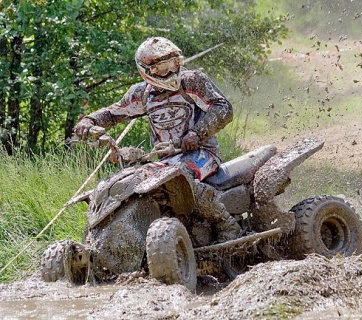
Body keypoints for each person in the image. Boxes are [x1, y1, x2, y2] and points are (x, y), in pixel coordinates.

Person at [74, 37, 241, 243]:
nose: (168, 72)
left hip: (203, 153)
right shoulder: (142, 94)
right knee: (131, 182)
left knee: (181, 175)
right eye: (161, 68)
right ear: (146, 70)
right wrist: (90, 121)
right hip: (165, 160)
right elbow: (114, 112)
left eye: (173, 64)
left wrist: (197, 134)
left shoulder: (192, 81)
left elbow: (223, 108)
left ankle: (226, 223)